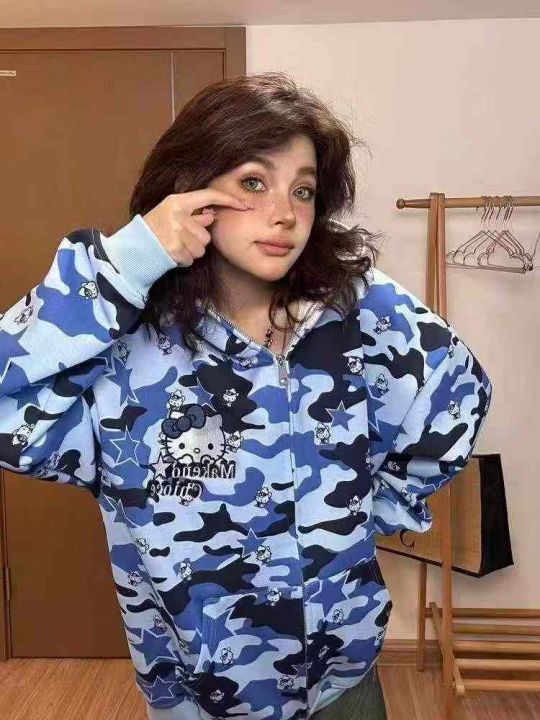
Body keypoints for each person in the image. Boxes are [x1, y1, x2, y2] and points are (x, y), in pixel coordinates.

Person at [0, 72, 492, 720]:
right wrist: (129, 260)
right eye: (253, 183)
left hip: (343, 686)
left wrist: (361, 514)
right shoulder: (126, 353)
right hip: (200, 700)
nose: (285, 213)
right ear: (191, 190)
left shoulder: (355, 315)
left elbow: (455, 391)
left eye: (303, 190)